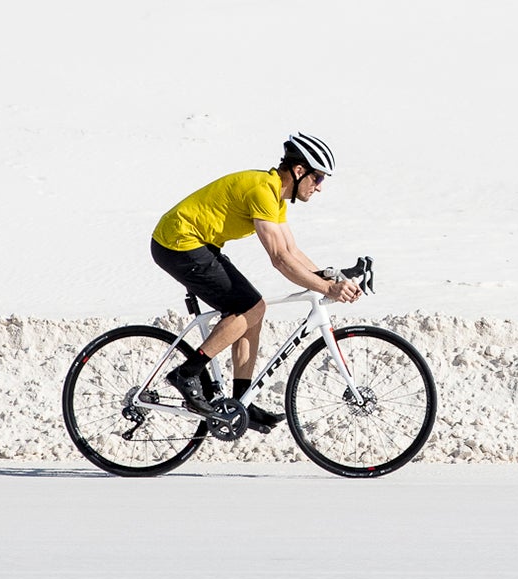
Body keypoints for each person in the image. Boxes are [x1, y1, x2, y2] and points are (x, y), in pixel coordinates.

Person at [149, 132, 360, 432]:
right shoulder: (263, 191)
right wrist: (327, 289)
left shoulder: (275, 196)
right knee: (251, 306)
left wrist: (330, 276)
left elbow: (292, 250)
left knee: (253, 312)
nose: (320, 187)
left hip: (197, 244)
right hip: (177, 243)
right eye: (318, 178)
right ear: (299, 171)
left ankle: (241, 400)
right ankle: (187, 373)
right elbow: (279, 259)